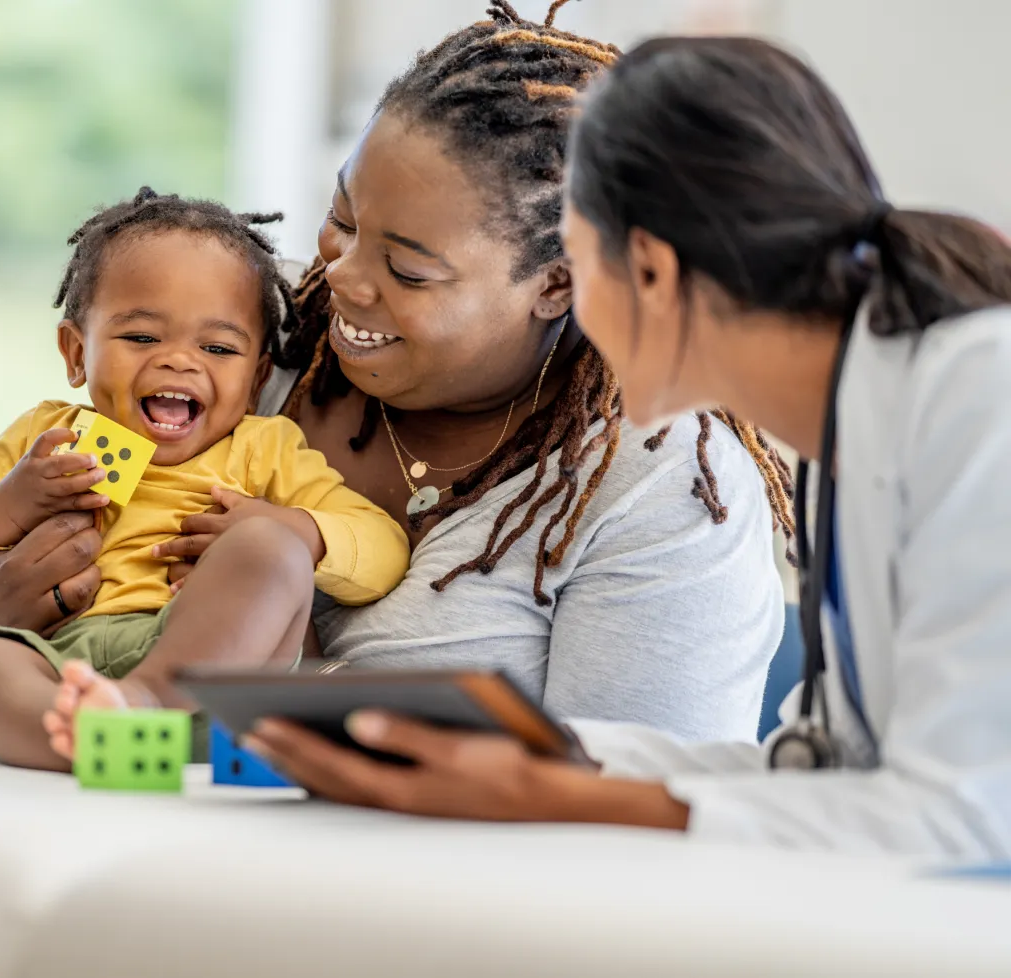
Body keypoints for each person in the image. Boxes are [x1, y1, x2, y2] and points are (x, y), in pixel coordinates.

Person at [0, 3, 794, 750]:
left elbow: (631, 815)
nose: (339, 275)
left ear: (556, 284)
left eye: (409, 270)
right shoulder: (245, 351)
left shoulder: (660, 488)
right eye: (342, 217)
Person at [245, 35, 1011, 859]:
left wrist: (545, 795)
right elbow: (823, 773)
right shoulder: (856, 427)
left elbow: (969, 821)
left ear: (645, 270)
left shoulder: (977, 401)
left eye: (570, 263)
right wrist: (542, 762)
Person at [0, 188, 408, 770]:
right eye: (142, 338)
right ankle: (89, 741)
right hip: (58, 668)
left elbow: (383, 553)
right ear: (77, 353)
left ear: (255, 381)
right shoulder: (46, 438)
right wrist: (10, 505)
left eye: (217, 346)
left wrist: (295, 530)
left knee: (270, 549)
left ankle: (141, 705)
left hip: (209, 675)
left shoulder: (261, 448)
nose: (181, 361)